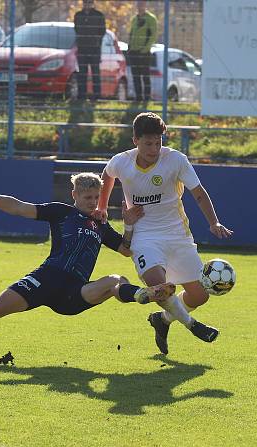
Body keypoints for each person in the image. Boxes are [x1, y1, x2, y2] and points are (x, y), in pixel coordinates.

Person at [0, 173, 176, 356]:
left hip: (74, 293)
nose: (93, 202)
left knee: (115, 280)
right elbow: (18, 207)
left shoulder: (101, 226)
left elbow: (127, 249)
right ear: (75, 194)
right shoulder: (61, 212)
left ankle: (144, 295)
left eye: (96, 198)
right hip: (46, 279)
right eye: (87, 198)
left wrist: (128, 223)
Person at [94, 112, 233, 354]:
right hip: (144, 237)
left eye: (158, 142)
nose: (154, 148)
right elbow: (107, 175)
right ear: (135, 140)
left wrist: (214, 222)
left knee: (200, 296)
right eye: (148, 143)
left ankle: (163, 320)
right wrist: (102, 207)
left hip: (177, 234)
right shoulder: (122, 161)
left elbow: (198, 192)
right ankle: (192, 325)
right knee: (159, 287)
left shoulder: (175, 160)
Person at [73, 0, 106, 101]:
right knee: (82, 73)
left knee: (95, 73)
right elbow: (77, 29)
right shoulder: (78, 15)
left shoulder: (99, 15)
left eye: (89, 2)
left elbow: (102, 31)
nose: (87, 4)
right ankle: (82, 96)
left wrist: (95, 39)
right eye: (85, 2)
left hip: (94, 49)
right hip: (82, 48)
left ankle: (96, 96)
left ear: (93, 4)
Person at [127, 1, 158, 101]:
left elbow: (153, 36)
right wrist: (130, 47)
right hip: (134, 52)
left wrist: (144, 49)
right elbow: (131, 34)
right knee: (136, 76)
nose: (140, 6)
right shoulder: (134, 19)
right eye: (138, 4)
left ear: (145, 5)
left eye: (142, 4)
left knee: (145, 76)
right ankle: (138, 97)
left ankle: (147, 98)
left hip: (144, 53)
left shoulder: (151, 19)